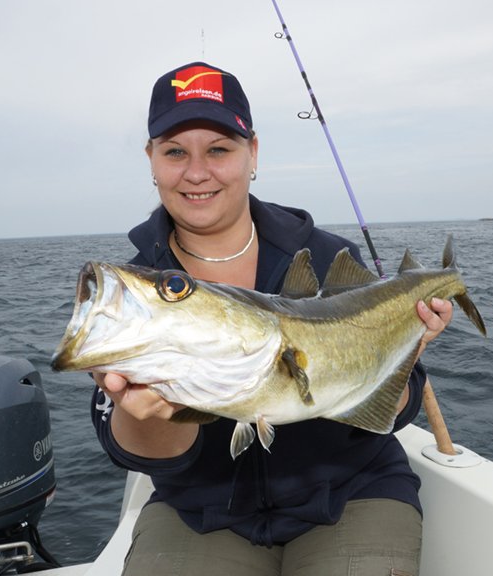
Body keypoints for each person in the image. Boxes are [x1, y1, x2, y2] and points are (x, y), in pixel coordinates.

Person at [90, 61, 453, 576]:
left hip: (353, 493)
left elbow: (397, 407)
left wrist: (398, 349)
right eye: (175, 151)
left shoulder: (329, 258)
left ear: (252, 153)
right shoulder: (139, 290)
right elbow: (139, 454)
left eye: (219, 149)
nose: (197, 172)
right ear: (151, 159)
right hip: (201, 511)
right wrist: (141, 408)